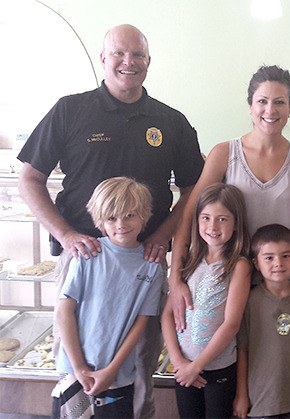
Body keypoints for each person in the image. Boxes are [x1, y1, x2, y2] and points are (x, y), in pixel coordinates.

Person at [17, 24, 204, 417]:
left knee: (139, 364)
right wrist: (65, 234)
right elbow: (30, 178)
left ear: (148, 63)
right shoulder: (70, 109)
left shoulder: (170, 121)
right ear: (103, 59)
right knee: (75, 364)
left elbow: (194, 190)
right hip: (82, 257)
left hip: (145, 265)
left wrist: (163, 235)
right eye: (119, 53)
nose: (128, 62)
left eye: (137, 55)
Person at [168, 65, 290, 338]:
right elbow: (190, 215)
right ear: (250, 106)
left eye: (279, 102)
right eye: (262, 101)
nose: (270, 110)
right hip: (229, 279)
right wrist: (176, 277)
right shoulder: (224, 154)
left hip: (281, 280)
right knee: (232, 362)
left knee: (281, 362)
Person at [52, 177, 164, 418]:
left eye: (130, 215)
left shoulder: (152, 266)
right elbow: (64, 311)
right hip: (74, 372)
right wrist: (80, 367)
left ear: (144, 215)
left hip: (119, 376)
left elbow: (141, 324)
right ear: (100, 220)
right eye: (112, 218)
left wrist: (112, 370)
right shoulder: (87, 255)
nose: (121, 224)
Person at [161, 184, 251, 418]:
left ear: (236, 223)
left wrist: (196, 366)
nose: (213, 226)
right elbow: (167, 315)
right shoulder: (190, 261)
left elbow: (231, 324)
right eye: (206, 217)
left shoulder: (238, 266)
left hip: (217, 370)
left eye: (222, 219)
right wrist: (179, 361)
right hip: (184, 369)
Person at [233, 224, 290, 418]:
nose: (278, 263)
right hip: (260, 400)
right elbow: (242, 349)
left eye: (285, 256)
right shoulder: (249, 300)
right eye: (269, 258)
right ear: (256, 262)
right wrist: (241, 395)